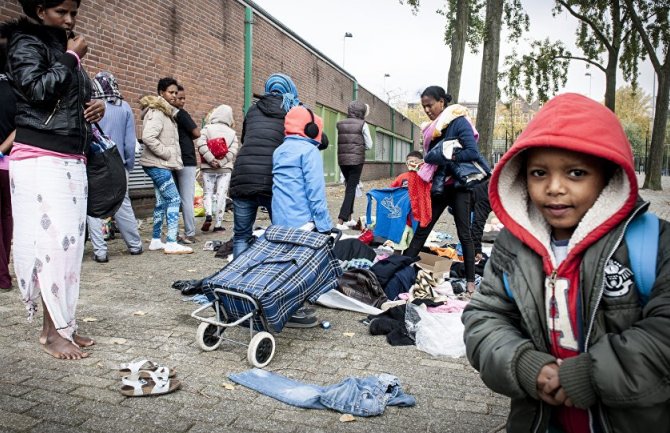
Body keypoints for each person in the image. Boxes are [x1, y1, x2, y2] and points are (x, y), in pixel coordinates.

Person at [462, 93, 670, 433]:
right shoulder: (512, 247)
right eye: (539, 173)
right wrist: (525, 366)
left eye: (576, 173)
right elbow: (483, 318)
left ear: (608, 176)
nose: (554, 188)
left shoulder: (652, 242)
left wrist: (590, 374)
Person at [2, 0, 107, 359]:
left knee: (69, 250)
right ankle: (50, 334)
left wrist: (96, 107)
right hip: (41, 157)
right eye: (62, 12)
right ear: (39, 9)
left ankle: (64, 324)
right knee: (51, 248)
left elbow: (71, 95)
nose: (70, 19)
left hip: (71, 155)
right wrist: (72, 58)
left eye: (74, 13)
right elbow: (37, 91)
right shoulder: (25, 43)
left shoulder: (59, 46)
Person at [403, 86, 482, 294]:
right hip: (440, 186)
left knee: (465, 233)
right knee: (423, 227)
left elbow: (472, 152)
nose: (427, 110)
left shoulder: (459, 121)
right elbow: (431, 157)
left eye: (430, 105)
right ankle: (402, 265)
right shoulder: (433, 128)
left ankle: (471, 281)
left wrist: (448, 155)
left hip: (459, 187)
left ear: (441, 102)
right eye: (424, 107)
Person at [229, 73, 301, 258]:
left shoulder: (253, 110)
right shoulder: (293, 111)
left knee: (241, 236)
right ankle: (275, 278)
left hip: (243, 174)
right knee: (280, 234)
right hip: (273, 177)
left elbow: (245, 138)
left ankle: (236, 280)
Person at [86, 71, 142, 262]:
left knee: (93, 207)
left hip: (93, 165)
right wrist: (128, 165)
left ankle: (100, 252)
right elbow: (130, 143)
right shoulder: (124, 107)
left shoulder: (89, 105)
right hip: (118, 164)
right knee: (122, 204)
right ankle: (135, 245)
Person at [139, 77, 192, 255]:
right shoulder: (158, 112)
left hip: (159, 164)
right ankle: (171, 241)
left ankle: (155, 240)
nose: (174, 96)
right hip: (157, 164)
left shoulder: (167, 112)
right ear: (161, 93)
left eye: (176, 93)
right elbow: (148, 137)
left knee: (162, 201)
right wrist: (167, 152)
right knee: (174, 199)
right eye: (171, 92)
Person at [272, 105, 332, 233]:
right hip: (302, 224)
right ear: (312, 129)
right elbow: (315, 191)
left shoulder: (279, 151)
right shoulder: (310, 151)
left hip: (278, 223)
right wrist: (325, 226)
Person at [196, 104, 239, 233]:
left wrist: (211, 159)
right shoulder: (232, 133)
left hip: (208, 168)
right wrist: (222, 162)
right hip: (225, 169)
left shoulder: (207, 128)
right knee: (221, 195)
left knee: (208, 193)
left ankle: (208, 214)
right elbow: (233, 150)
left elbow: (200, 144)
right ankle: (218, 224)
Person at [335, 100, 373, 231]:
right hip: (356, 161)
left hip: (342, 160)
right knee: (350, 189)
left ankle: (350, 219)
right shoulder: (363, 124)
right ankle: (340, 221)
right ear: (361, 112)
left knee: (350, 187)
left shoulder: (340, 124)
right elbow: (369, 144)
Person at [172, 84, 200, 245]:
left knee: (175, 198)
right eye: (179, 97)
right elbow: (197, 132)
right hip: (187, 159)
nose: (182, 101)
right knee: (186, 198)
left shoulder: (169, 114)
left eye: (183, 98)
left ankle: (174, 232)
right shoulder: (181, 114)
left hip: (174, 158)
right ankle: (189, 232)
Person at [0, 40, 15, 291]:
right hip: (11, 164)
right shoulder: (17, 87)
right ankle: (4, 276)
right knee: (7, 219)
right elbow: (23, 123)